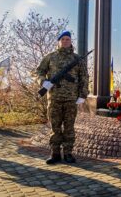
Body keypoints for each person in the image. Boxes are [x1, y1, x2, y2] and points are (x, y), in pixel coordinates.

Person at [36, 31, 88, 164]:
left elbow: (84, 77)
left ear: (71, 41)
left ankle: (68, 153)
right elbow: (39, 71)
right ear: (59, 41)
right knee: (55, 127)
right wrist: (43, 82)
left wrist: (83, 95)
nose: (65, 41)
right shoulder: (50, 57)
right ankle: (55, 153)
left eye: (68, 39)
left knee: (69, 127)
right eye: (63, 39)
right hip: (54, 98)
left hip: (71, 99)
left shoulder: (77, 59)